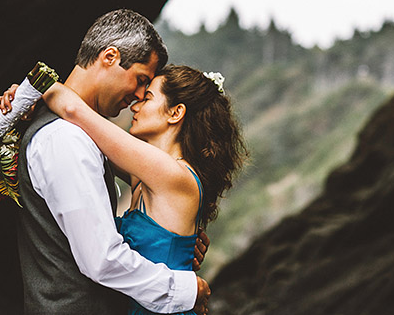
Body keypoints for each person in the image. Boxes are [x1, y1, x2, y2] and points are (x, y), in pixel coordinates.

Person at [0, 9, 211, 315]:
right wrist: (185, 289)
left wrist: (176, 240)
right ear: (109, 57)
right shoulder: (66, 139)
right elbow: (101, 259)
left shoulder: (75, 132)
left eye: (147, 91)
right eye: (139, 80)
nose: (138, 97)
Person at [38, 63, 248, 315]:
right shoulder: (144, 178)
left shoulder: (174, 175)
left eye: (147, 98)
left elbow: (73, 110)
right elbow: (88, 139)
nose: (134, 105)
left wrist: (32, 90)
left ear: (175, 113)